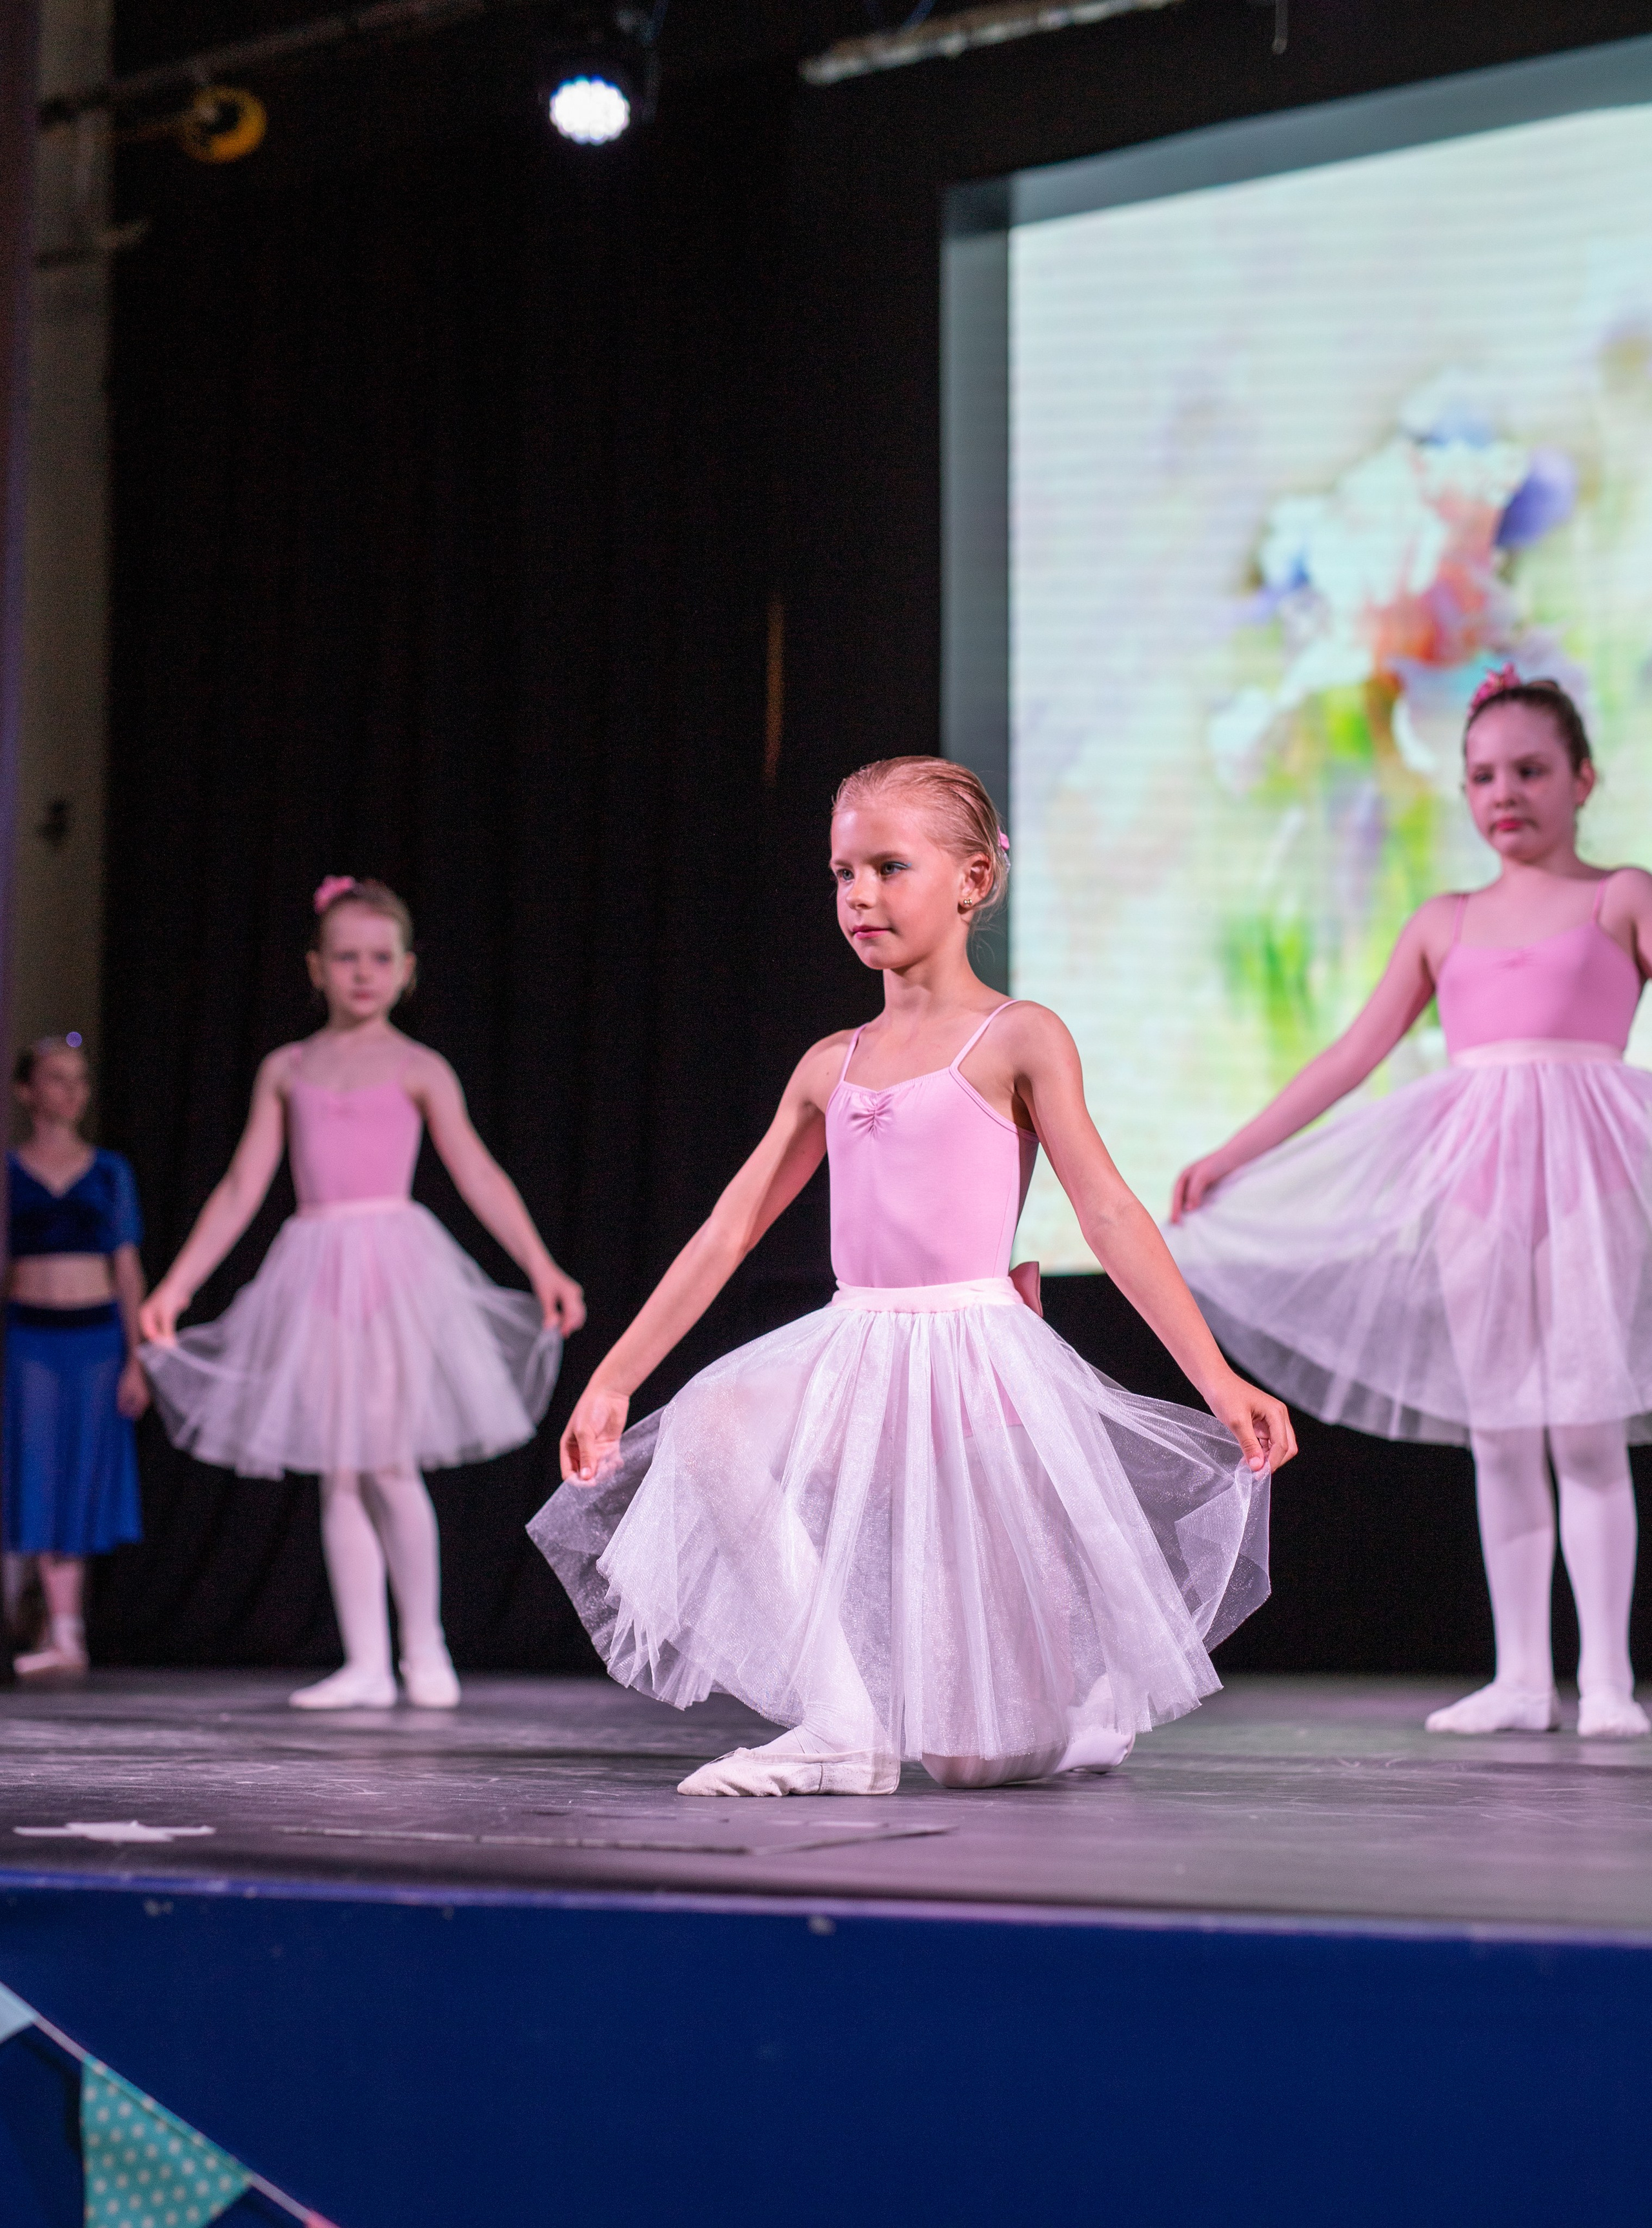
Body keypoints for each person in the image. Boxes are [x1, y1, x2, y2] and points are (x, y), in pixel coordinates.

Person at [533, 757, 1291, 1798]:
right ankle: (842, 1722)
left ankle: (1079, 1723)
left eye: (890, 867)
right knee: (711, 1424)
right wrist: (615, 1378)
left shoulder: (1019, 1037)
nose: (860, 894)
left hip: (970, 1357)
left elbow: (1110, 1214)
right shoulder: (829, 1064)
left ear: (974, 879)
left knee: (976, 1763)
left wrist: (1218, 1379)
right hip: (855, 1347)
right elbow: (728, 1230)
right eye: (843, 872)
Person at [1169, 670, 1652, 1739]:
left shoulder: (1623, 896)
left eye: (1530, 770)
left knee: (1585, 1433)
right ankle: (1522, 1678)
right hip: (1476, 1195)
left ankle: (1610, 1681)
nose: (1504, 793)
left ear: (1583, 778)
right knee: (1502, 1436)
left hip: (1592, 1187)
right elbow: (1351, 1056)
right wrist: (1233, 1154)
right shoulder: (1446, 921)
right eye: (1483, 775)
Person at [140, 876, 585, 1710]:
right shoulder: (287, 1068)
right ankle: (367, 1662)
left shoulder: (419, 1067)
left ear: (406, 968)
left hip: (393, 1275)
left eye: (380, 958)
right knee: (339, 1470)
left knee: (386, 1460)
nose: (362, 972)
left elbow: (478, 1171)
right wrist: (177, 1284)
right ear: (316, 967)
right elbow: (241, 1186)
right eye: (345, 957)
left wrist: (541, 1265)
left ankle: (425, 1648)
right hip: (314, 1276)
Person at [5, 1037, 148, 1674]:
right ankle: (48, 1628)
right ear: (26, 1090)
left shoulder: (109, 1170)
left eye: (79, 1079)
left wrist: (137, 1357)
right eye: (56, 1078)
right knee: (35, 1470)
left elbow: (127, 1268)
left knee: (82, 1474)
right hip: (30, 1337)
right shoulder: (10, 1170)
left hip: (94, 1339)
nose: (70, 1091)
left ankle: (68, 1630)